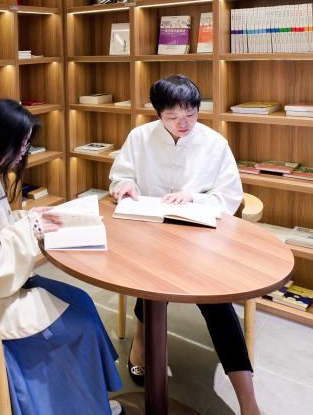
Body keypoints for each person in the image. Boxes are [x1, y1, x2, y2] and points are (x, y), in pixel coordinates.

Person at [0, 99, 123, 415]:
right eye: (21, 143)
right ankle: (79, 406)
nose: (23, 151)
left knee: (82, 301)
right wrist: (32, 227)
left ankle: (88, 399)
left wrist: (30, 218)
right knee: (79, 324)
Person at [109, 75, 259, 415]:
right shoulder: (140, 138)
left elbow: (230, 196)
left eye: (191, 114)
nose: (184, 123)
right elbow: (121, 175)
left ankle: (248, 402)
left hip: (202, 242)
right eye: (173, 116)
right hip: (151, 235)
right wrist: (125, 186)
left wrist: (193, 197)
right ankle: (141, 343)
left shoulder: (214, 143)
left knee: (218, 306)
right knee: (148, 282)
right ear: (158, 114)